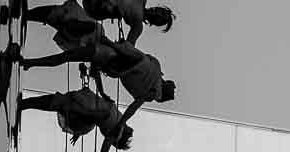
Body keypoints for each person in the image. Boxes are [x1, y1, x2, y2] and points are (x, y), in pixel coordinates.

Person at [18, 37, 175, 109]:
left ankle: (30, 63)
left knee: (64, 57)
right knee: (64, 57)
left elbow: (133, 56)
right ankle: (30, 63)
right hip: (106, 58)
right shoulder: (147, 88)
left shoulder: (153, 72)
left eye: (169, 86)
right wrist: (103, 92)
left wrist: (111, 44)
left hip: (105, 54)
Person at [24, 0, 175, 45]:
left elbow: (130, 44)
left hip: (102, 5)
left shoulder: (138, 25)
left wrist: (119, 47)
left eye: (160, 17)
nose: (157, 12)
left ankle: (26, 5)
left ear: (155, 22)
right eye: (161, 11)